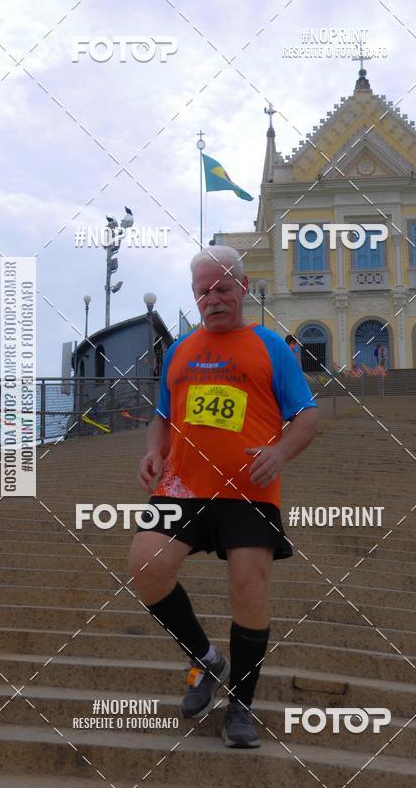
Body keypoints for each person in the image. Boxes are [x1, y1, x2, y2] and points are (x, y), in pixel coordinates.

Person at [129, 246, 319, 748]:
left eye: (222, 288)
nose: (212, 299)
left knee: (248, 587)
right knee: (146, 564)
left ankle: (241, 705)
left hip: (249, 488)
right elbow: (163, 416)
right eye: (202, 292)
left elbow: (307, 414)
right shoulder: (180, 350)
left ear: (243, 287)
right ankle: (207, 660)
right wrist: (153, 450)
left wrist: (280, 452)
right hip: (183, 487)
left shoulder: (270, 346)